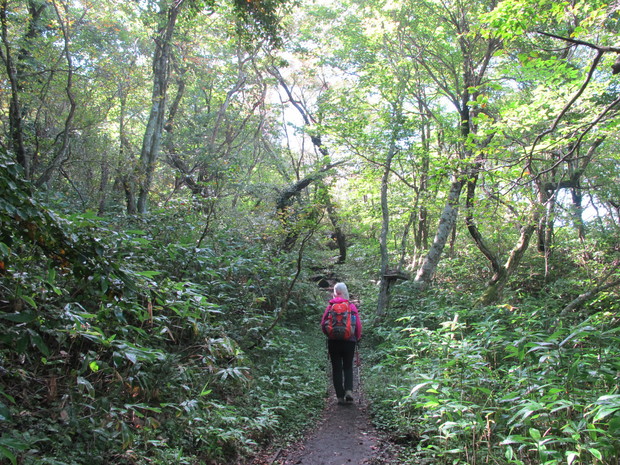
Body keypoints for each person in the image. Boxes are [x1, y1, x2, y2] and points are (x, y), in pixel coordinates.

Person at [320, 282, 362, 404]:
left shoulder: (330, 306)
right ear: (346, 292)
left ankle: (339, 396)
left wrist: (329, 334)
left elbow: (323, 324)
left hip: (333, 342)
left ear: (335, 292)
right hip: (349, 341)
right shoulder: (351, 306)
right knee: (348, 366)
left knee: (336, 368)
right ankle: (349, 390)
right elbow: (358, 325)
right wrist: (357, 337)